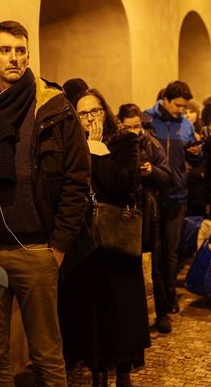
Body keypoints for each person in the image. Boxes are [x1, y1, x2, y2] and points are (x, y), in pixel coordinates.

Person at [0, 20, 90, 386]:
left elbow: (77, 181)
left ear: (29, 55)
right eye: (5, 50)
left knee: (46, 353)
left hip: (36, 249)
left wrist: (57, 247)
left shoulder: (55, 109)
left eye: (20, 50)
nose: (14, 58)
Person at [60, 89, 150, 387]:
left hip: (117, 237)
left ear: (105, 111)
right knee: (92, 306)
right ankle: (97, 370)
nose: (90, 118)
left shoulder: (124, 140)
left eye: (95, 111)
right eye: (83, 113)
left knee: (121, 306)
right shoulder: (71, 144)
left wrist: (96, 150)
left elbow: (123, 181)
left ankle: (123, 371)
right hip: (86, 241)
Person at [144, 80, 202, 314]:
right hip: (153, 196)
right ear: (165, 100)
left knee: (172, 252)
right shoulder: (147, 119)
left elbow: (195, 160)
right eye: (178, 105)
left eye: (184, 106)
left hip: (178, 195)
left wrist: (197, 154)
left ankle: (169, 297)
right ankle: (153, 300)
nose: (181, 110)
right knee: (154, 250)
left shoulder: (186, 126)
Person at [118, 103, 173, 334]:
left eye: (137, 126)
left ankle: (162, 314)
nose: (134, 131)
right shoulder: (117, 145)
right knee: (128, 266)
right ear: (121, 125)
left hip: (150, 212)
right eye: (129, 127)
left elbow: (167, 175)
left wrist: (152, 172)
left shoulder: (152, 144)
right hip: (125, 212)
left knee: (154, 266)